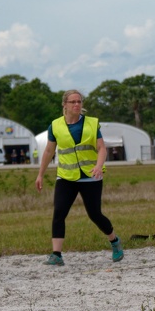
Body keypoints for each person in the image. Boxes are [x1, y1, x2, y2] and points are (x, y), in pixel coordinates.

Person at [35, 90, 124, 266]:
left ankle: (114, 241)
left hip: (90, 176)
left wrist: (98, 166)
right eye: (73, 102)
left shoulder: (92, 123)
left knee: (94, 214)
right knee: (59, 213)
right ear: (65, 105)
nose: (77, 105)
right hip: (66, 176)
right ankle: (56, 255)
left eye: (79, 101)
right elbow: (48, 151)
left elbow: (102, 149)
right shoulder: (55, 125)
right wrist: (40, 174)